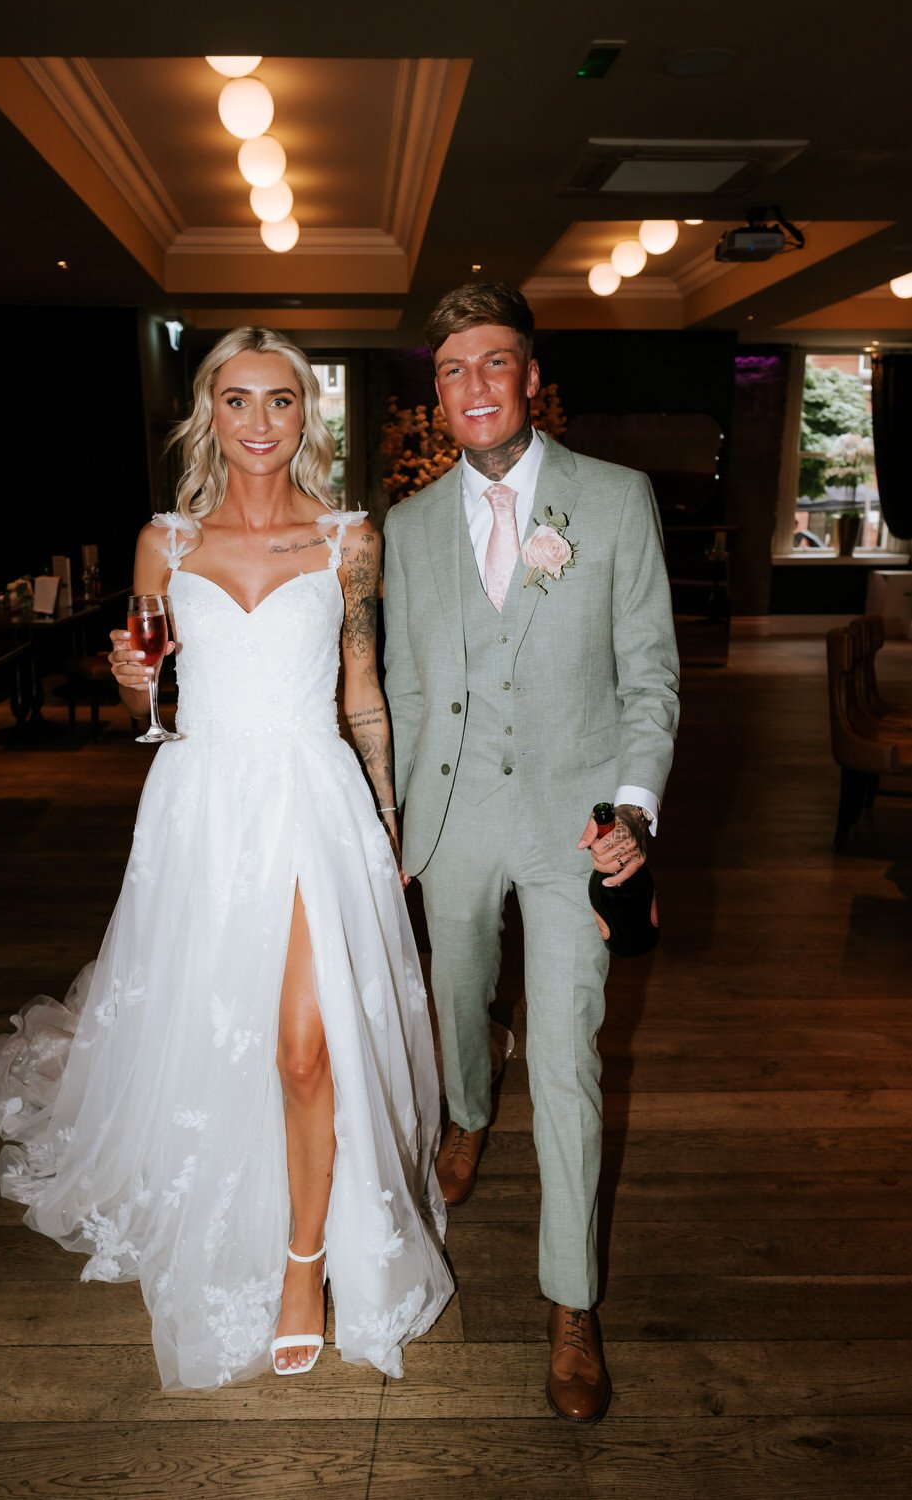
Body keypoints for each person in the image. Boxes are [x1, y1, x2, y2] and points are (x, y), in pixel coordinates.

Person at [0, 326, 453, 1389]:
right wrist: (131, 677)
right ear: (208, 414)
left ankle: (304, 1266)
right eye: (238, 400)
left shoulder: (347, 539)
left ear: (304, 417)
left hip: (315, 799)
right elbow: (149, 693)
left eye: (280, 401)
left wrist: (387, 819)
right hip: (202, 801)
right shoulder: (163, 544)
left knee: (305, 1048)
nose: (260, 422)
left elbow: (360, 689)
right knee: (223, 1026)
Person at [382, 283, 679, 1423]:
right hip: (452, 824)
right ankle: (465, 1109)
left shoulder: (612, 500)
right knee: (459, 1005)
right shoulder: (406, 530)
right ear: (437, 391)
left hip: (576, 827)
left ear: (530, 376)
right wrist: (397, 819)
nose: (473, 388)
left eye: (493, 364)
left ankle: (569, 1301)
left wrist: (634, 812)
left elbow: (648, 676)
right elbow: (404, 688)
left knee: (566, 1058)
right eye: (452, 370)